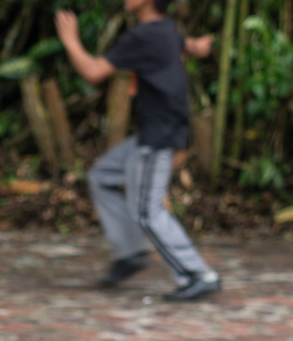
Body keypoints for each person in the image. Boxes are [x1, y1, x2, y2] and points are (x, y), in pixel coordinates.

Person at [55, 0, 221, 301]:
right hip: (158, 130)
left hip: (159, 136)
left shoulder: (143, 36)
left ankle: (198, 274)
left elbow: (94, 72)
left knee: (147, 211)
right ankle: (130, 253)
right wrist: (198, 47)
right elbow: (184, 44)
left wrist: (70, 41)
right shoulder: (165, 29)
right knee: (103, 176)